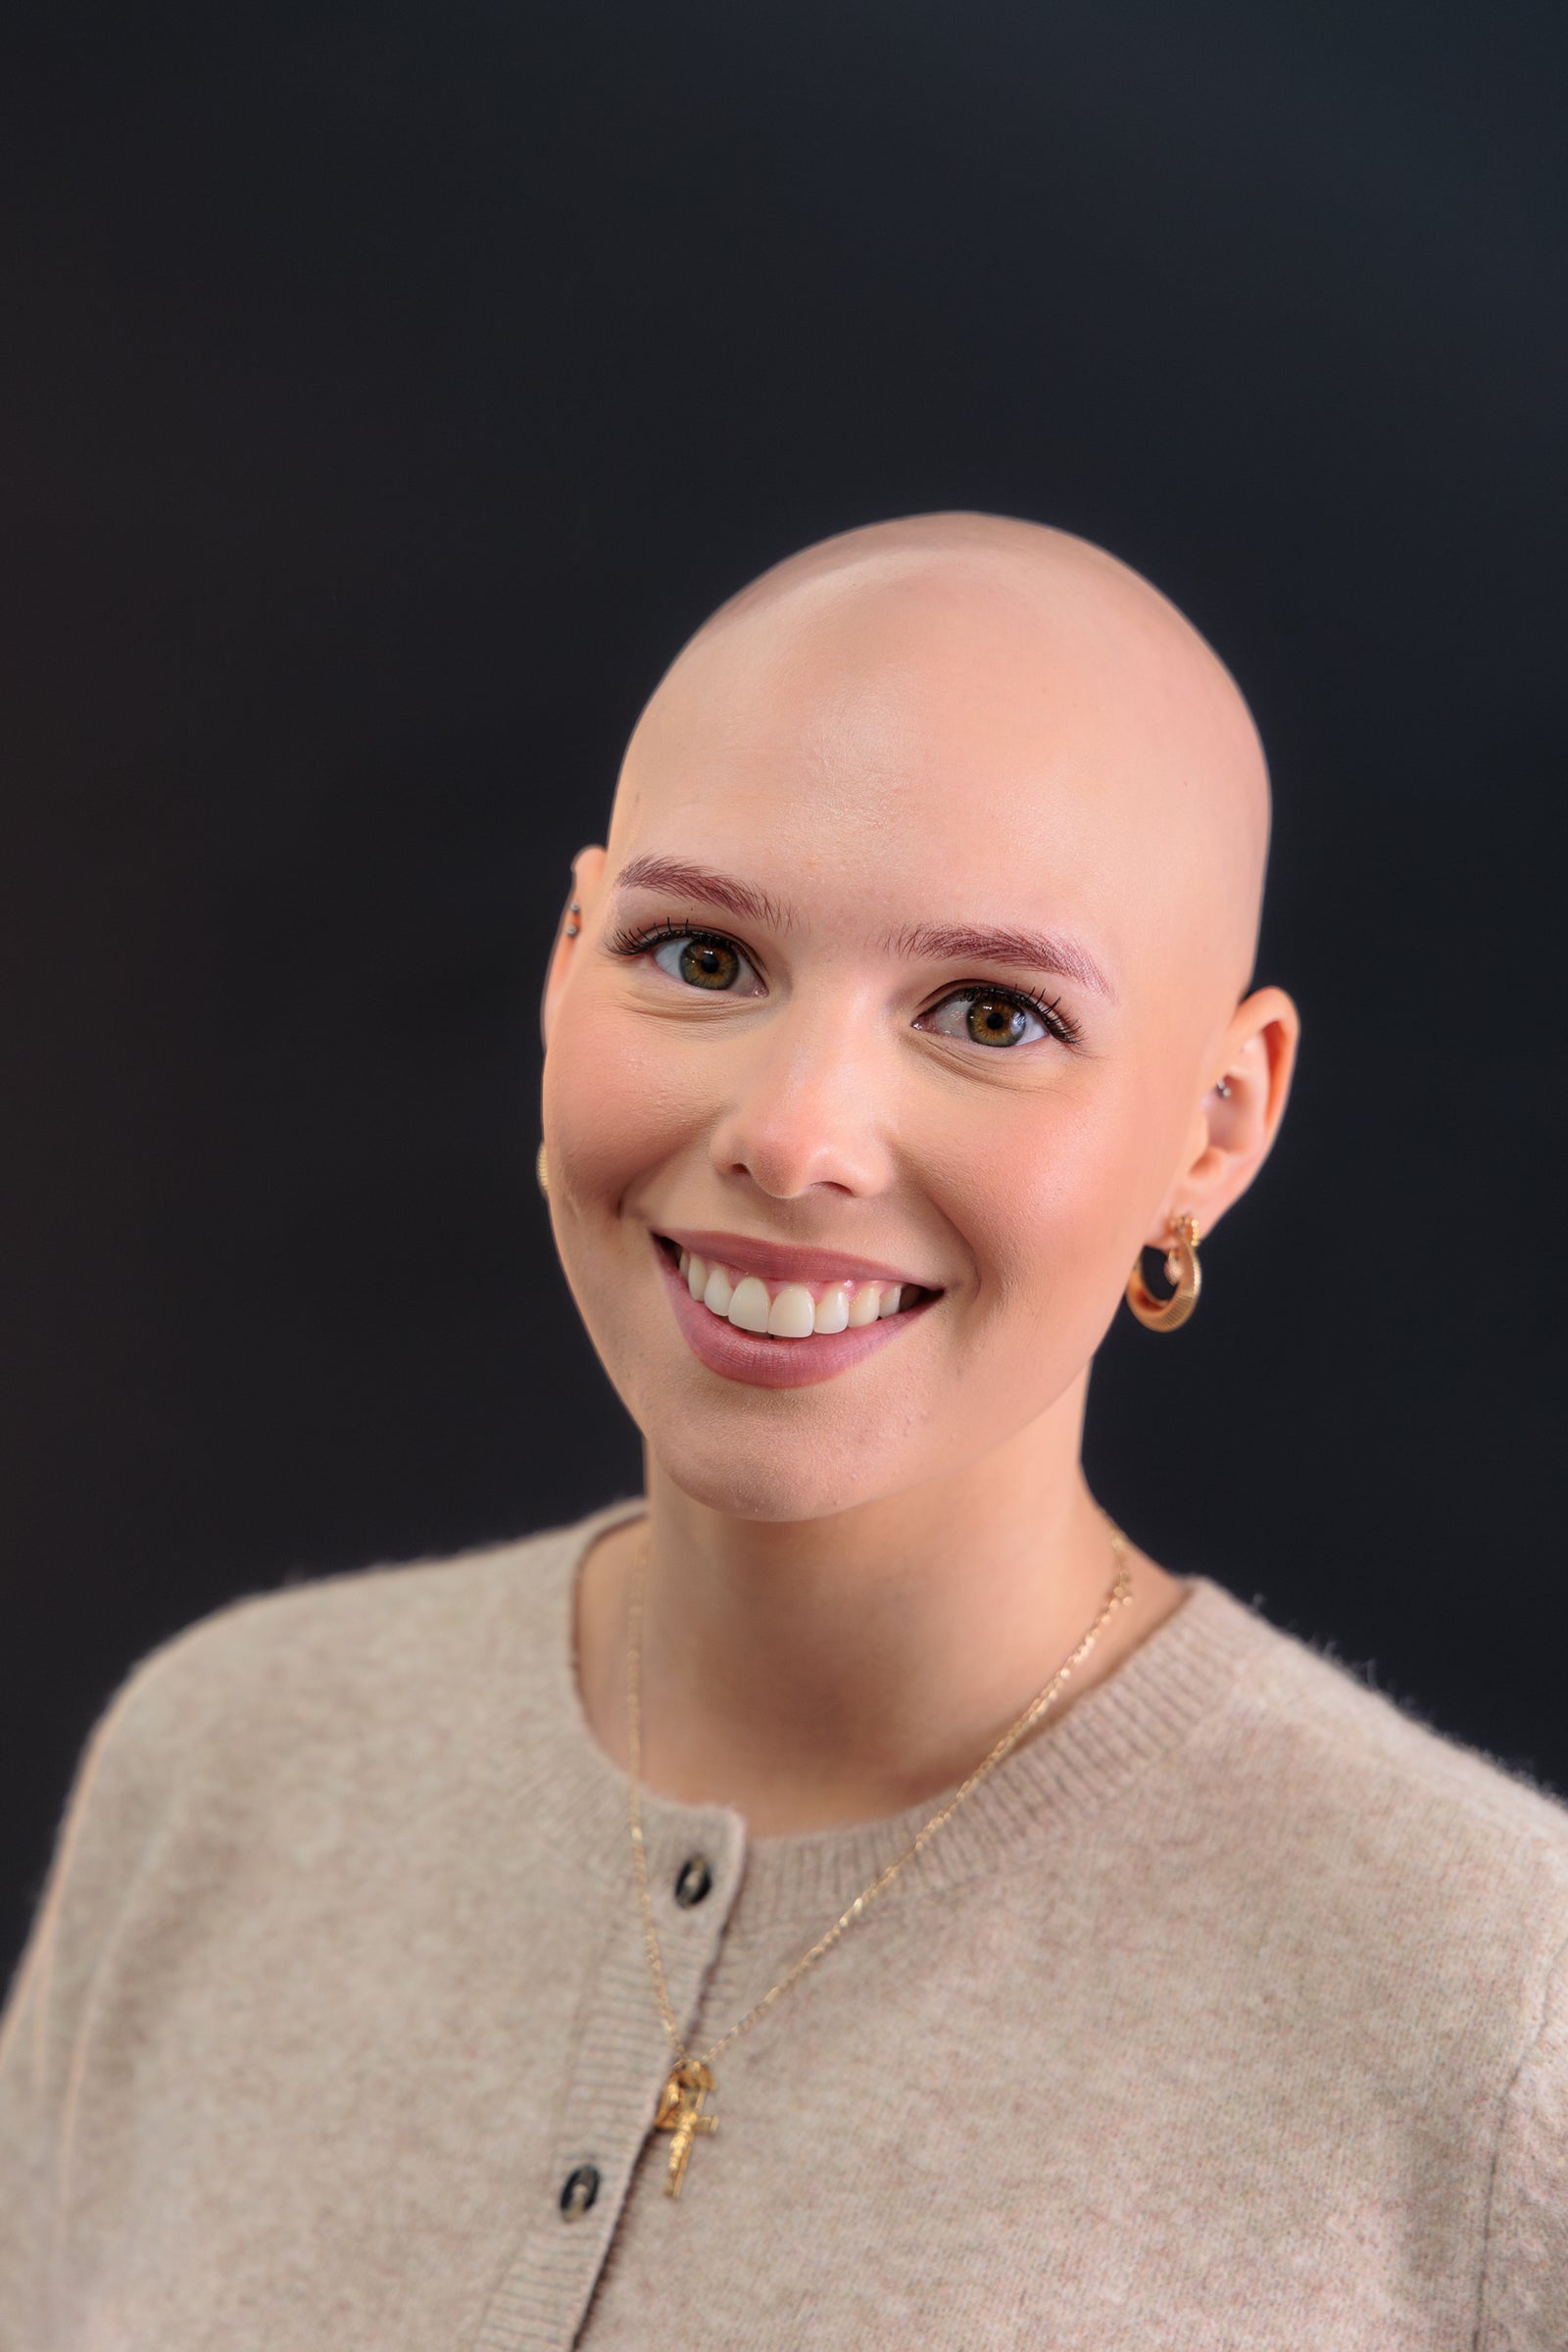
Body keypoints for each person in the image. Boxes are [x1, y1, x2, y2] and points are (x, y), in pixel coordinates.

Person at [1, 514, 1563, 2350]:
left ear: (1215, 1125)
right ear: (564, 958)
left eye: (993, 1013)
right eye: (703, 956)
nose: (797, 1134)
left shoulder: (1497, 2007)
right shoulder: (227, 1764)